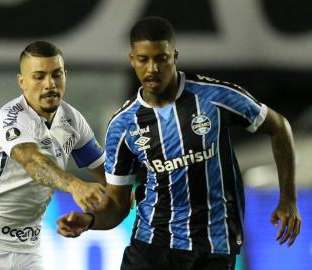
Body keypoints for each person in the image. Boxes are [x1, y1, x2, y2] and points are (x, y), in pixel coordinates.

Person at [57, 17, 302, 270]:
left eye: (160, 58)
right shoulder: (123, 124)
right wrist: (89, 220)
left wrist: (288, 199)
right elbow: (118, 204)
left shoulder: (214, 96)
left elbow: (279, 127)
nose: (152, 68)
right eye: (143, 59)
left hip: (214, 245)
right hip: (153, 246)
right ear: (132, 59)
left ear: (174, 56)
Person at [0, 40, 106, 270]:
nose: (50, 84)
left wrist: (126, 191)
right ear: (22, 82)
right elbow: (33, 162)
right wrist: (76, 185)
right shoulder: (12, 118)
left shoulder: (72, 120)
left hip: (27, 250)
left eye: (56, 74)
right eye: (39, 76)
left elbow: (109, 176)